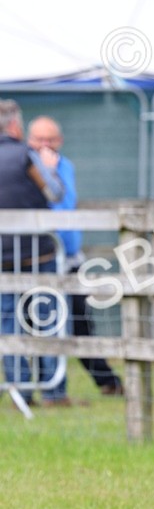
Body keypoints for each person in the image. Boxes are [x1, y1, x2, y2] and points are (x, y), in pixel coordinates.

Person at [27, 116, 124, 403]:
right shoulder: (26, 167)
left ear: (60, 141)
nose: (45, 146)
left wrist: (51, 171)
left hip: (69, 259)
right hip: (40, 259)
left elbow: (64, 205)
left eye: (51, 139)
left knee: (81, 322)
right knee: (40, 324)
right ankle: (47, 388)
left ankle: (107, 381)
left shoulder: (65, 166)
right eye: (39, 140)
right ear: (29, 141)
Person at [0, 100, 61, 403]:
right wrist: (51, 169)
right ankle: (53, 389)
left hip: (2, 257)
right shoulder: (27, 155)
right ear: (15, 125)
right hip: (38, 253)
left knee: (8, 323)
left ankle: (19, 390)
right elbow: (54, 192)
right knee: (47, 319)